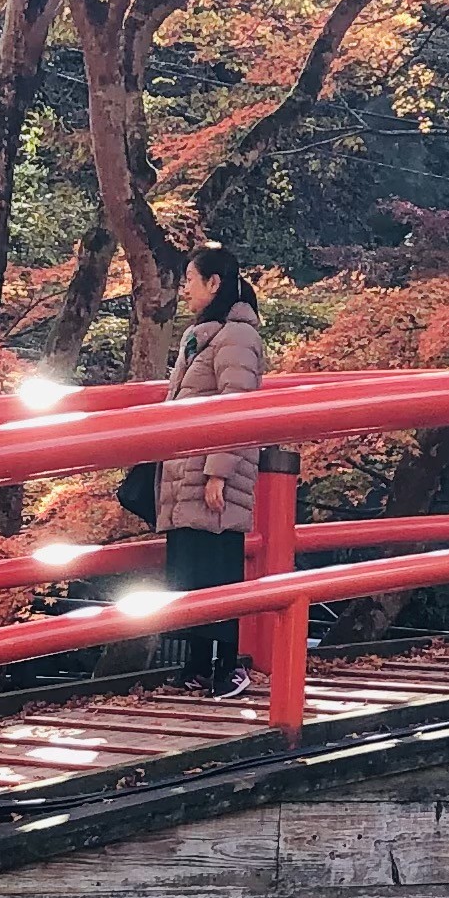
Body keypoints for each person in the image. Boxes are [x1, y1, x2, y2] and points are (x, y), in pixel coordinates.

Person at [162, 243, 267, 691]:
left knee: (218, 567)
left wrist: (218, 471)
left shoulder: (237, 336)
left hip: (211, 470)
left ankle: (230, 667)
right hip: (186, 467)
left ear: (214, 284)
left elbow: (236, 404)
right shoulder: (205, 333)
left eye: (189, 280)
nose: (184, 289)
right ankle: (198, 665)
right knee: (192, 568)